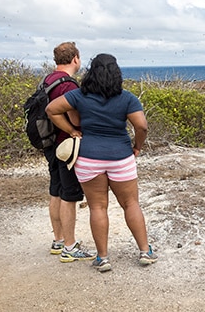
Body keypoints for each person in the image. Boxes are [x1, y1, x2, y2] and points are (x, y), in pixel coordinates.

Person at [46, 53, 157, 273]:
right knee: (131, 204)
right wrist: (138, 147)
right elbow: (142, 126)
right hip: (121, 157)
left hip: (89, 158)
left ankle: (103, 258)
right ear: (117, 74)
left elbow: (51, 110)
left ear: (91, 73)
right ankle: (145, 251)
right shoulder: (127, 98)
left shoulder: (79, 96)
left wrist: (71, 131)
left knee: (97, 207)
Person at [44, 41, 96, 262]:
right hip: (66, 146)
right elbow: (74, 116)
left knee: (56, 191)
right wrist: (74, 130)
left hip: (50, 143)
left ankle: (58, 240)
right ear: (76, 58)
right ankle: (69, 246)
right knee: (69, 195)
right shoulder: (68, 85)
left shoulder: (48, 79)